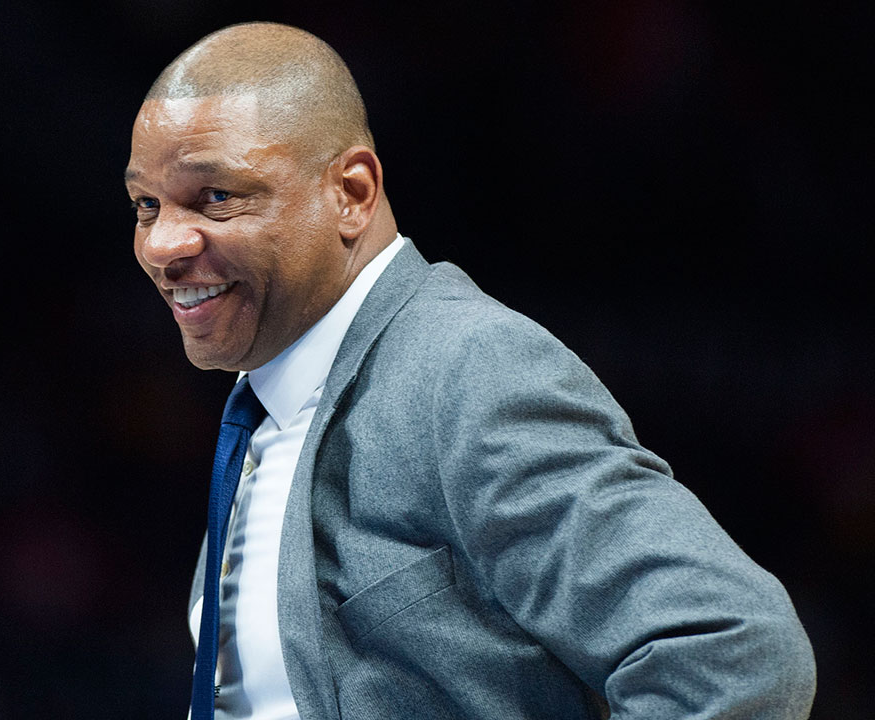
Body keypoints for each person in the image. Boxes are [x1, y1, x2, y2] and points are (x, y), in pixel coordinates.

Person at [124, 21, 815, 720]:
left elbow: (736, 652)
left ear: (353, 193)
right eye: (146, 205)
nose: (162, 244)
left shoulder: (464, 371)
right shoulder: (266, 405)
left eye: (216, 197)